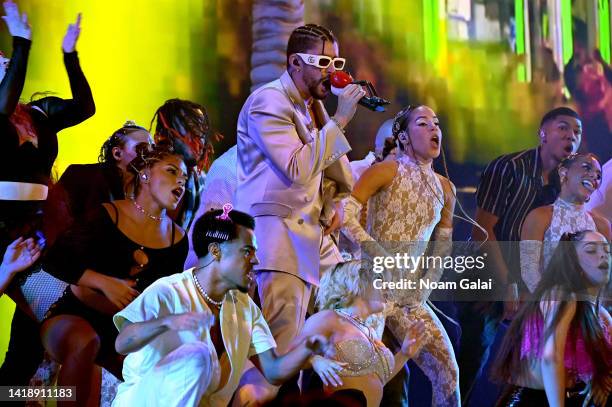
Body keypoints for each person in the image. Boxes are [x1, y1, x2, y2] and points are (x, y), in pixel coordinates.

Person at [235, 23, 361, 401]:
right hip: (280, 241)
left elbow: (329, 171)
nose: (331, 70)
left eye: (335, 61)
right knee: (283, 352)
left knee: (351, 318)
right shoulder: (268, 102)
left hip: (315, 239)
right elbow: (295, 168)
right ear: (294, 63)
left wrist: (335, 197)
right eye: (323, 61)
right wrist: (341, 120)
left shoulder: (312, 106)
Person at [112, 208, 334, 407]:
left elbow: (274, 371)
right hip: (146, 401)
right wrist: (165, 322)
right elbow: (122, 343)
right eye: (247, 251)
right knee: (198, 353)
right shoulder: (168, 290)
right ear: (216, 251)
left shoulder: (245, 307)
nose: (256, 260)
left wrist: (308, 347)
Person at [40, 146, 189, 406]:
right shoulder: (109, 214)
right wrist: (104, 282)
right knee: (86, 341)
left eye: (185, 178)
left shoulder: (178, 239)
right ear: (144, 175)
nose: (181, 181)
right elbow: (55, 260)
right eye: (172, 171)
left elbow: (162, 299)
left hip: (125, 334)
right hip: (76, 316)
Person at [0, 1, 95, 387]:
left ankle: (12, 393)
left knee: (38, 325)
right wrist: (22, 43)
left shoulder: (38, 112)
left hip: (36, 230)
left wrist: (70, 56)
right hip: (1, 233)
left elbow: (85, 108)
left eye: (6, 56)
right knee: (50, 309)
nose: (3, 60)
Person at [342, 104, 458, 406]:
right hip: (372, 289)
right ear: (404, 138)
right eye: (423, 123)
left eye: (436, 123)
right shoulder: (385, 171)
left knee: (448, 373)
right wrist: (376, 252)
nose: (434, 129)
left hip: (409, 297)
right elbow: (346, 215)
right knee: (364, 375)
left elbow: (443, 244)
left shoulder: (445, 188)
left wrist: (425, 286)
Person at [465, 107, 583, 406]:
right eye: (563, 128)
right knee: (473, 357)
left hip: (530, 284)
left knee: (526, 362)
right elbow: (482, 231)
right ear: (542, 133)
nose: (571, 135)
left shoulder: (566, 183)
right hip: (485, 274)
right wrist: (506, 286)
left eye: (577, 132)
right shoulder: (508, 168)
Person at [493, 231, 612, 406]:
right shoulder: (562, 294)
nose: (603, 255)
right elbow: (550, 357)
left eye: (607, 250)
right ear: (572, 262)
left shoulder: (599, 313)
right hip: (533, 401)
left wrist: (601, 378)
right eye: (591, 250)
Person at [295, 260, 427, 407]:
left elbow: (375, 378)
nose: (386, 289)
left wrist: (404, 354)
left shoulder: (370, 331)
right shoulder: (329, 318)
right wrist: (315, 361)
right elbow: (288, 355)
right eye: (379, 282)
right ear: (357, 282)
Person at [44, 121, 152, 246]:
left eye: (153, 150)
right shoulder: (81, 175)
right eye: (142, 148)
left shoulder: (148, 193)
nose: (150, 155)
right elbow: (52, 224)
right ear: (117, 153)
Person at [521, 153, 611, 292]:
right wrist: (553, 306)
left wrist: (591, 309)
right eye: (587, 168)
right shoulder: (539, 217)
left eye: (598, 175)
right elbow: (529, 271)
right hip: (548, 306)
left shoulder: (602, 225)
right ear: (564, 172)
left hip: (590, 309)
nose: (594, 176)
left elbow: (606, 279)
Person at [150, 98, 215, 230]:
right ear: (161, 136)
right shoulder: (137, 176)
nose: (199, 138)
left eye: (202, 129)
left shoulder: (204, 183)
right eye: (190, 128)